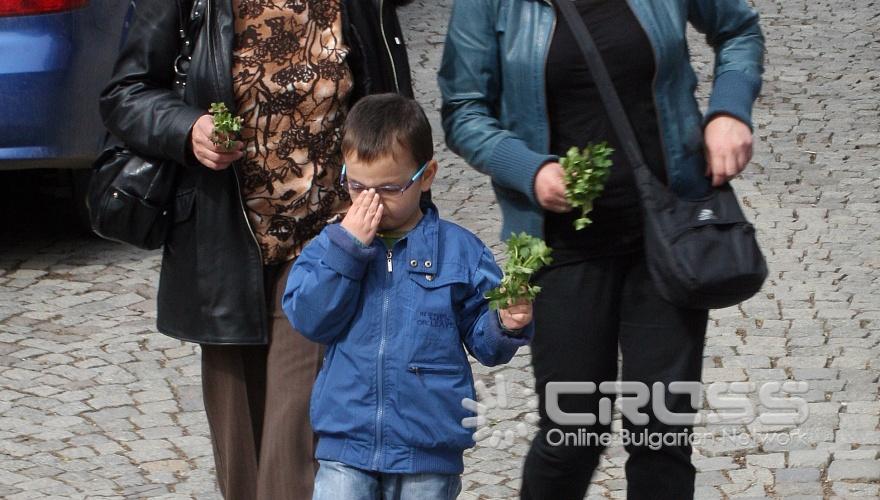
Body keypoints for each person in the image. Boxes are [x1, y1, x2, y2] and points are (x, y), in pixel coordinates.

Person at [438, 0, 764, 499]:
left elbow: (738, 29)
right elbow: (464, 109)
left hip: (667, 238)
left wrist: (728, 111)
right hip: (562, 246)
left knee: (661, 434)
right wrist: (530, 168)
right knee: (572, 434)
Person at [99, 1, 415, 498]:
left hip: (324, 242)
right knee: (240, 461)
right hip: (223, 244)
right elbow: (125, 95)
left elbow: (394, 108)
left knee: (295, 447)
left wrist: (410, 227)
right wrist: (187, 128)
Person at [281, 93, 535, 500]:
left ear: (427, 175)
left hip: (428, 446)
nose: (369, 201)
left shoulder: (460, 251)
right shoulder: (331, 245)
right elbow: (309, 319)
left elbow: (486, 344)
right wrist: (348, 250)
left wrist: (504, 323)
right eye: (357, 185)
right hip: (347, 442)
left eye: (388, 188)